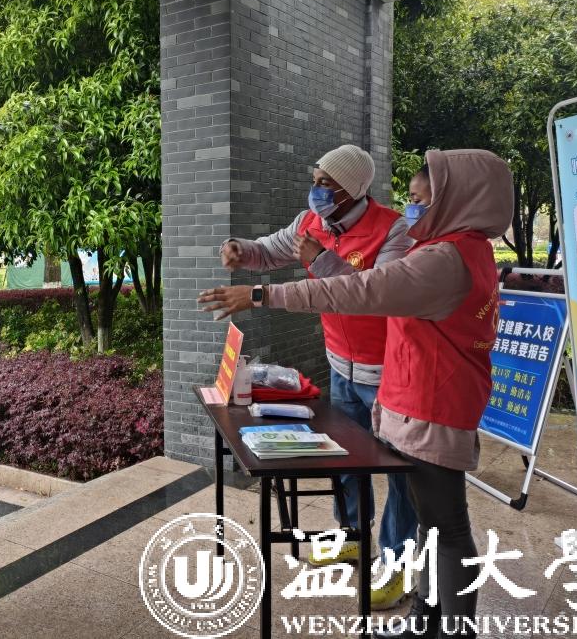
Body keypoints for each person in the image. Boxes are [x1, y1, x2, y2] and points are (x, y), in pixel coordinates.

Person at [200, 149, 514, 639]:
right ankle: (423, 619)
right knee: (428, 518)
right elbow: (272, 249)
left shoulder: (436, 256)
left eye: (421, 200)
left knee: (443, 524)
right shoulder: (448, 249)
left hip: (429, 401)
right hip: (406, 392)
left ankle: (427, 601)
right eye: (411, 199)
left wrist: (263, 293)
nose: (413, 209)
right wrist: (241, 249)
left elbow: (362, 293)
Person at [220, 144, 417, 610]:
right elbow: (270, 250)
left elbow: (379, 295)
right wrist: (241, 250)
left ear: (353, 189)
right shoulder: (310, 222)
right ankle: (351, 536)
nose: (317, 190)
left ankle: (398, 564)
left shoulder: (394, 229)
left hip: (389, 372)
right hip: (341, 365)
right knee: (345, 457)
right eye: (316, 180)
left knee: (401, 472)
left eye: (327, 183)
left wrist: (323, 260)